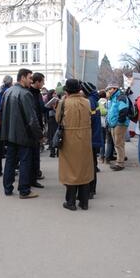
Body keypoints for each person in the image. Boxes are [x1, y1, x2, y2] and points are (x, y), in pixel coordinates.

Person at [1, 68, 42, 199]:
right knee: (25, 162)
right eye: (30, 78)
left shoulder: (7, 92)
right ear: (23, 77)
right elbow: (31, 118)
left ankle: (7, 188)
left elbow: (3, 113)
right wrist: (39, 135)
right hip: (23, 135)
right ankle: (24, 190)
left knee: (10, 161)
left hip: (10, 134)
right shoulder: (25, 94)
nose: (31, 80)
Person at [58, 79, 94, 211]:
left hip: (69, 139)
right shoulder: (87, 101)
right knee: (83, 169)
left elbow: (58, 119)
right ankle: (84, 202)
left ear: (67, 90)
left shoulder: (64, 102)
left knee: (70, 170)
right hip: (85, 138)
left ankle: (71, 201)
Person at [81, 81, 102, 198]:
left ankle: (90, 190)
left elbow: (88, 121)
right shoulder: (93, 99)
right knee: (92, 164)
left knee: (90, 165)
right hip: (94, 137)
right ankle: (91, 189)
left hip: (91, 138)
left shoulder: (89, 102)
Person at [29, 72, 46, 188]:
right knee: (32, 154)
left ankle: (35, 176)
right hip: (31, 128)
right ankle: (32, 179)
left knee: (36, 154)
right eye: (43, 81)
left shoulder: (38, 93)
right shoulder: (28, 93)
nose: (44, 84)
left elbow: (40, 108)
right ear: (37, 82)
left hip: (38, 125)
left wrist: (48, 106)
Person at [106, 86, 130, 171]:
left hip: (119, 124)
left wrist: (119, 122)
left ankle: (120, 163)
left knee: (118, 143)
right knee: (119, 143)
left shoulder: (120, 97)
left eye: (109, 89)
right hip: (115, 124)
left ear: (115, 89)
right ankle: (120, 160)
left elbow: (124, 110)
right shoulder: (114, 97)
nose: (108, 90)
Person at [46, 89, 59, 157]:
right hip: (52, 119)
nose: (55, 94)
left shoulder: (57, 100)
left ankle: (57, 151)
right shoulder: (50, 101)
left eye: (56, 93)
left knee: (56, 134)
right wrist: (54, 107)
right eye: (54, 93)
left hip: (56, 119)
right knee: (53, 135)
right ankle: (52, 151)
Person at [97, 90, 108, 163]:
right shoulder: (108, 102)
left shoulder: (97, 102)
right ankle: (107, 156)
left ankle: (101, 157)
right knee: (108, 141)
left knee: (102, 141)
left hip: (100, 123)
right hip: (107, 122)